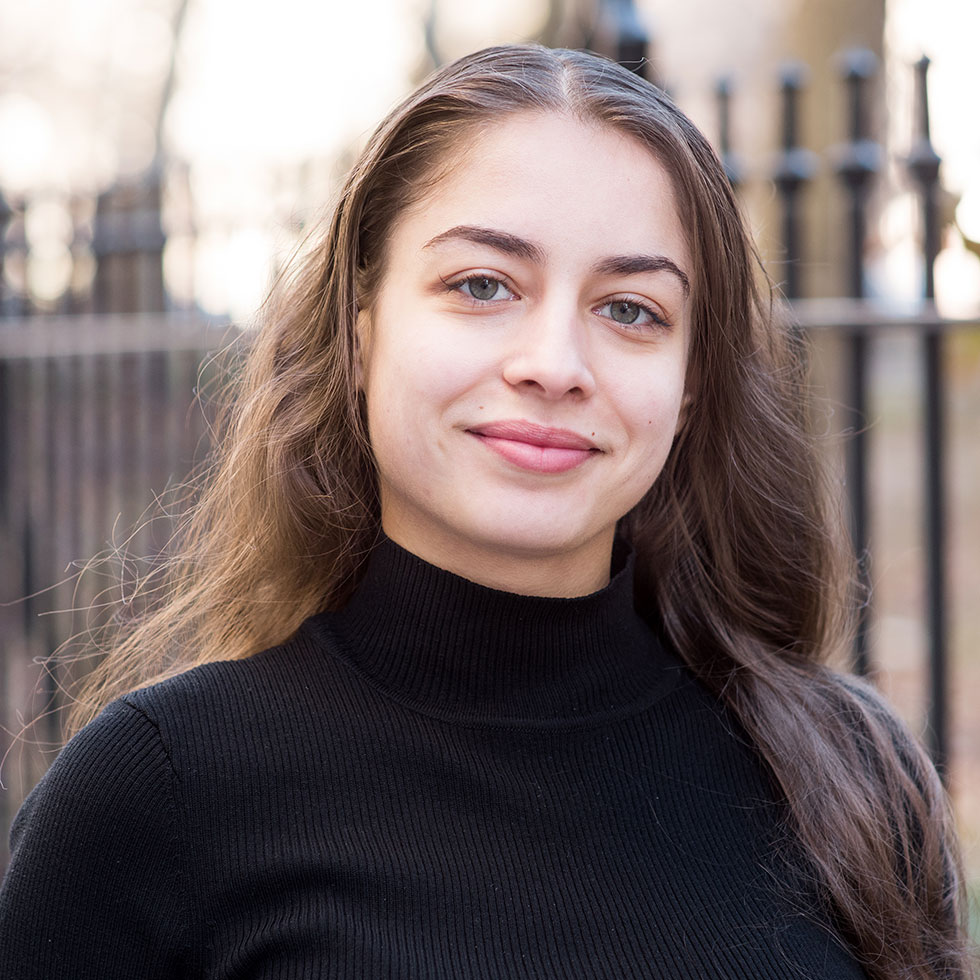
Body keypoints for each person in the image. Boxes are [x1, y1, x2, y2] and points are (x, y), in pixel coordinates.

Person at [0, 44, 972, 980]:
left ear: (686, 388)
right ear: (358, 333)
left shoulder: (843, 772)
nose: (553, 362)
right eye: (480, 284)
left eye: (630, 308)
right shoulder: (155, 794)